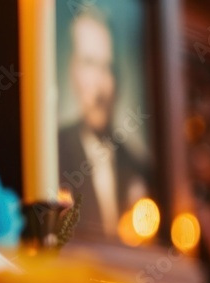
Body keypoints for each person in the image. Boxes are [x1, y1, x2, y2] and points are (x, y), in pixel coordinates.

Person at [58, 7, 148, 240]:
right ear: (73, 70)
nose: (99, 87)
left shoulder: (138, 166)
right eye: (89, 63)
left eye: (107, 67)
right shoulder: (53, 153)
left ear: (118, 78)